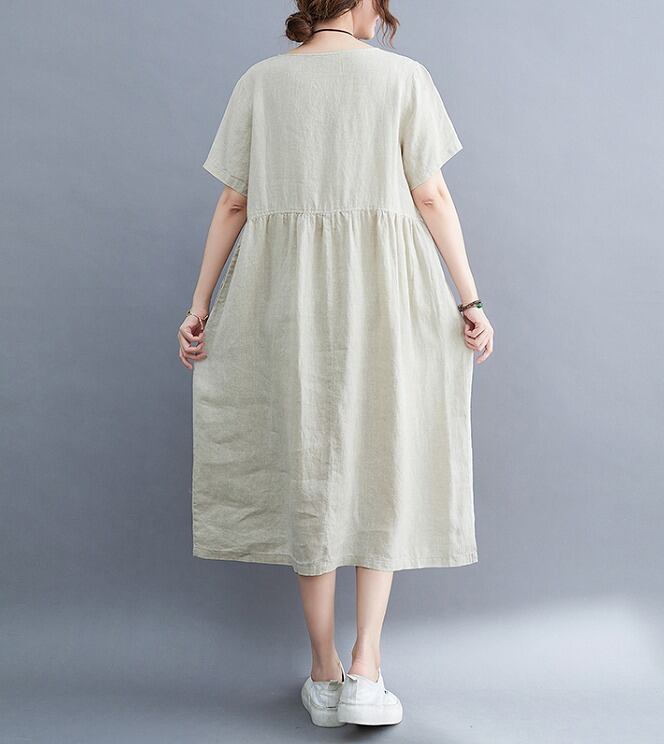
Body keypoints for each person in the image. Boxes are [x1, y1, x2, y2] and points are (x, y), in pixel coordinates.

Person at [178, 0, 494, 728]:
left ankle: (322, 673)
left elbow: (232, 204)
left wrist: (200, 307)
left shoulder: (260, 81)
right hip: (387, 298)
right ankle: (367, 669)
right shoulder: (404, 78)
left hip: (287, 303)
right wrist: (469, 299)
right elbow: (430, 193)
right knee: (381, 458)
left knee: (310, 468)